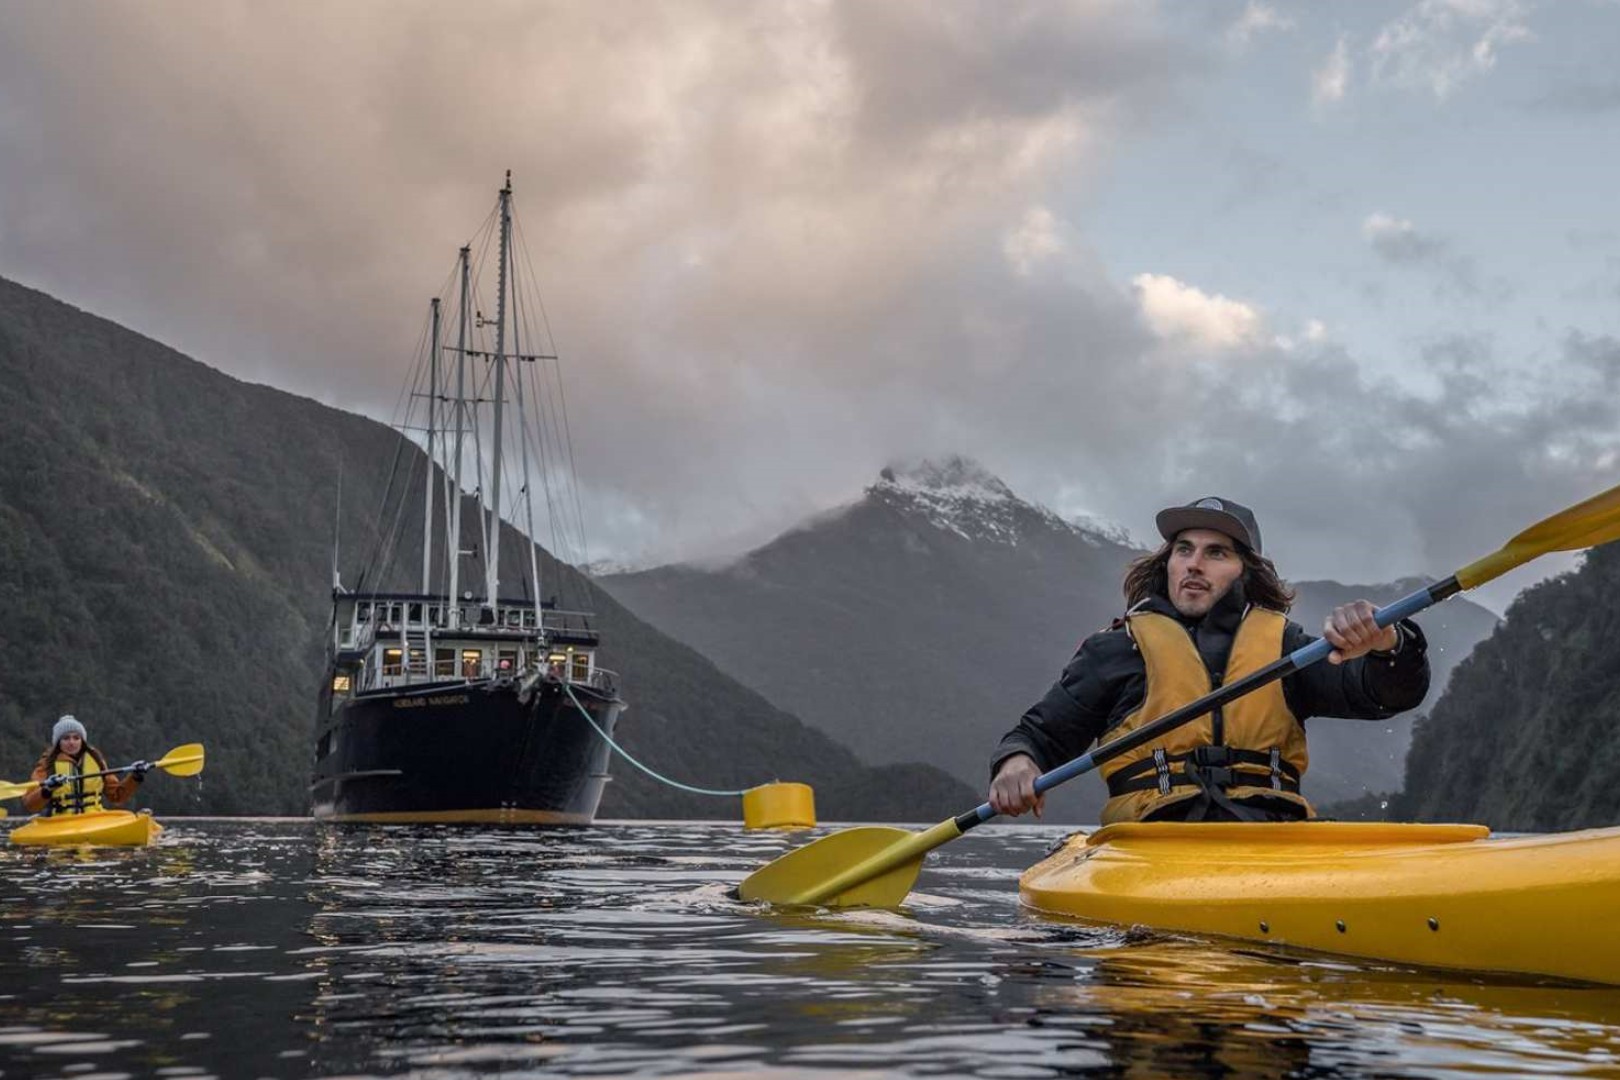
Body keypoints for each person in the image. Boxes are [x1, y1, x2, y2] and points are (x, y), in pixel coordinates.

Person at [989, 497, 1431, 824]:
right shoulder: (1116, 649)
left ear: (1246, 570)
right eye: (1184, 549)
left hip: (1272, 835)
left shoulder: (1284, 648)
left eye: (1216, 552)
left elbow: (1385, 693)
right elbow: (1039, 736)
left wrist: (1387, 643)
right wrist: (1017, 763)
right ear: (1168, 562)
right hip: (1152, 839)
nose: (1194, 564)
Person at [21, 715, 150, 817]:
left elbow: (117, 796)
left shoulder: (95, 758)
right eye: (66, 738)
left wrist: (135, 777)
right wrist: (47, 789)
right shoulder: (47, 764)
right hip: (60, 821)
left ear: (82, 740)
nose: (71, 742)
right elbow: (30, 805)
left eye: (76, 738)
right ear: (58, 742)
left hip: (94, 818)